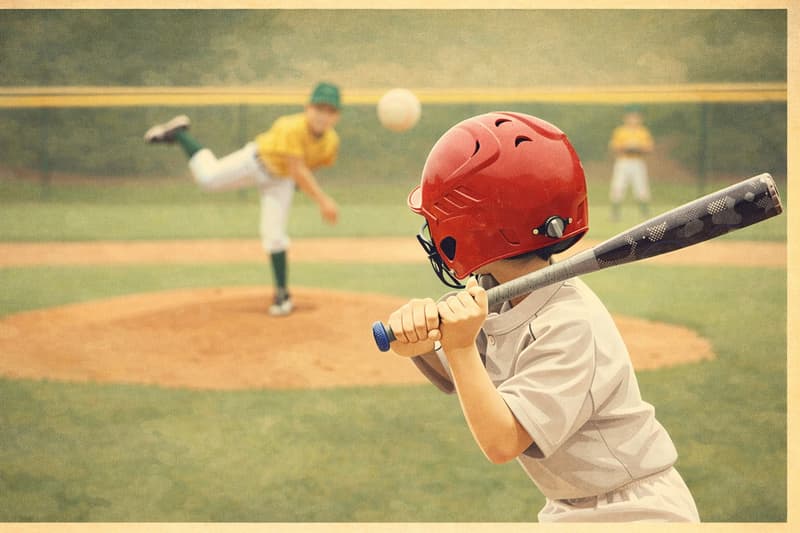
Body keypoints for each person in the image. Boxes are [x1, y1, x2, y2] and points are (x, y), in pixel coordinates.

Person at [384, 112, 699, 522]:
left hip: (636, 510)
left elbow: (502, 441)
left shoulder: (569, 323)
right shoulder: (497, 296)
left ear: (480, 225)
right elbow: (456, 375)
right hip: (570, 506)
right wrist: (425, 346)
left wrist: (458, 346)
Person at [144, 82, 342, 316]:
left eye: (329, 111)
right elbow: (298, 169)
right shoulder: (291, 127)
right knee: (207, 178)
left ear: (336, 116)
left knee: (274, 236)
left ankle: (282, 295)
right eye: (319, 108)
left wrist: (301, 185)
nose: (323, 115)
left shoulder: (331, 143)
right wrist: (323, 201)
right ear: (307, 107)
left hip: (281, 180)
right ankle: (180, 134)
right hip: (255, 162)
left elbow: (308, 167)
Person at [608, 104, 654, 220]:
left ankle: (645, 213)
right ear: (626, 118)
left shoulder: (643, 131)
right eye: (631, 117)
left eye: (636, 117)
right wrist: (627, 147)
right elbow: (614, 147)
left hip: (638, 162)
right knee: (618, 187)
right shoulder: (620, 131)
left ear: (640, 118)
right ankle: (615, 214)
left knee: (641, 188)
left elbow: (649, 147)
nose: (633, 119)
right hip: (623, 161)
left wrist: (637, 147)